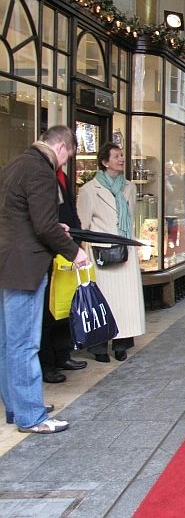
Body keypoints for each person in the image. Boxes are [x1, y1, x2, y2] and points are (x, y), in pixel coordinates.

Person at [0, 125, 91, 434]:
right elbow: (43, 227)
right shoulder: (40, 170)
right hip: (26, 267)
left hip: (9, 264)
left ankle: (19, 406)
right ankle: (31, 416)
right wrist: (73, 251)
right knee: (24, 344)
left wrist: (55, 228)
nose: (63, 165)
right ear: (62, 149)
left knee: (8, 343)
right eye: (66, 159)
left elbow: (21, 218)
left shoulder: (15, 164)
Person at [77, 141, 147, 363]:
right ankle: (98, 347)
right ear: (104, 161)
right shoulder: (89, 190)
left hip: (124, 248)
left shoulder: (129, 187)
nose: (121, 159)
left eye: (121, 155)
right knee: (102, 299)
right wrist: (81, 254)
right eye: (116, 156)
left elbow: (131, 217)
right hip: (100, 251)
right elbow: (83, 225)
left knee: (124, 301)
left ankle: (121, 344)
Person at [39, 159, 88, 384]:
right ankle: (47, 363)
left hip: (68, 246)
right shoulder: (41, 176)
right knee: (49, 309)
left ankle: (63, 355)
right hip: (50, 250)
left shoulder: (61, 176)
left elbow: (70, 208)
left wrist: (77, 237)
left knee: (66, 303)